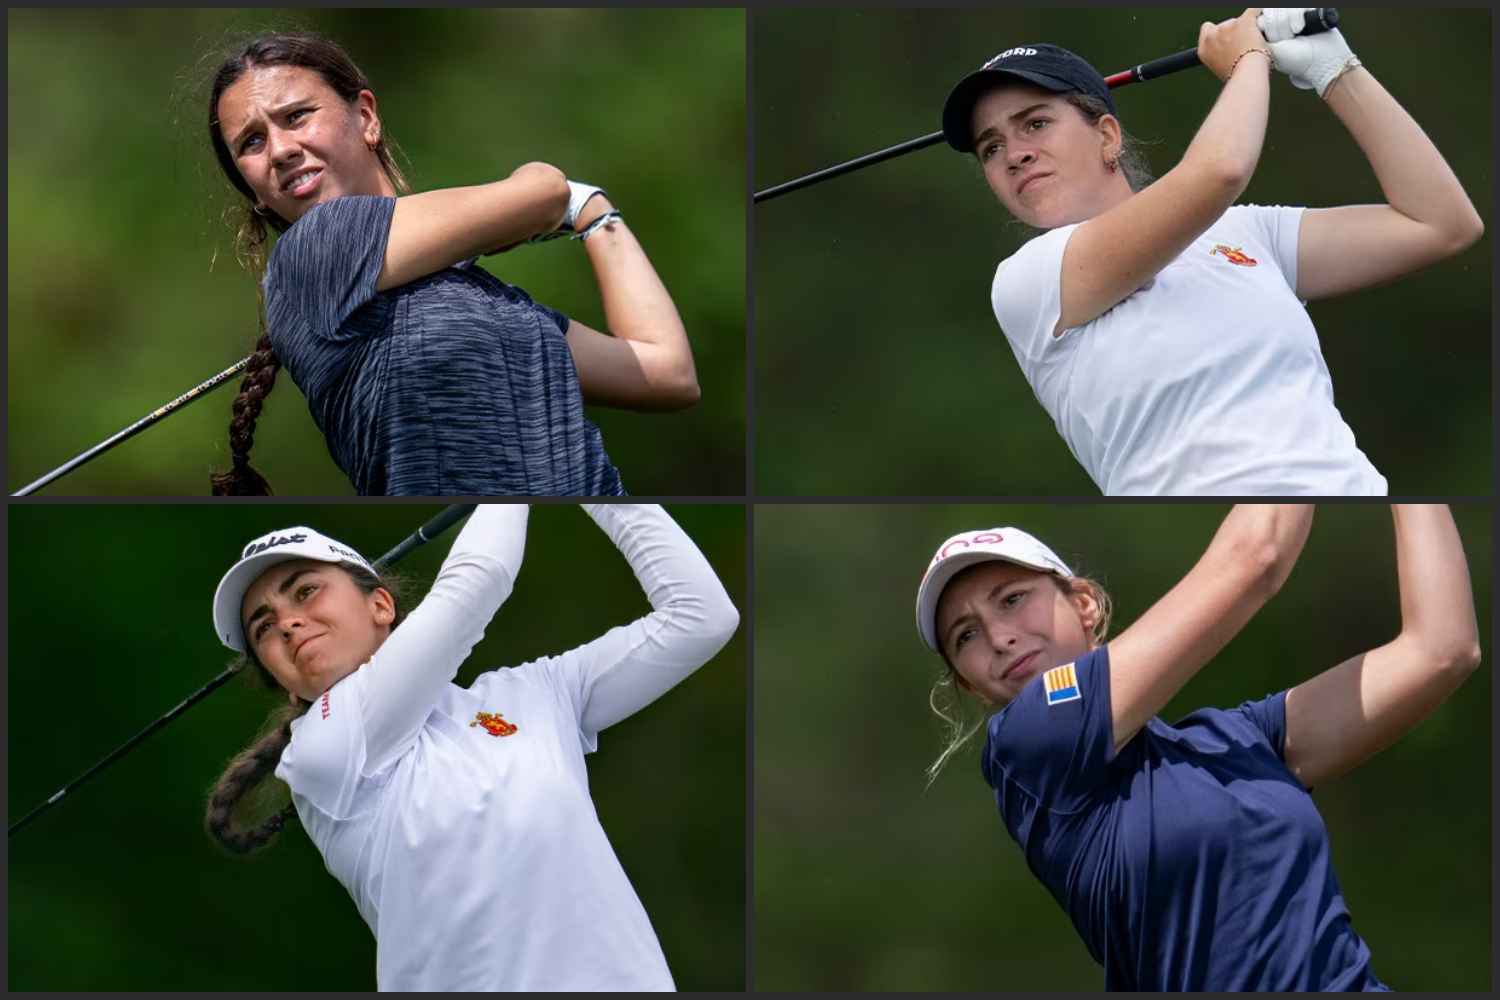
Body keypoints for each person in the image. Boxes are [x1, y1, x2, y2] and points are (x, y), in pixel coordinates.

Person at [913, 505, 1480, 990]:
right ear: (968, 682)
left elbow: (1441, 649)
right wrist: (1300, 437)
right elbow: (1255, 555)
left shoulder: (1235, 740)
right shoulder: (1027, 744)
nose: (998, 637)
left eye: (1012, 599)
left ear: (1084, 604)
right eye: (966, 635)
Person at [940, 9, 1484, 495]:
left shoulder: (1248, 235)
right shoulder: (1029, 281)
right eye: (992, 147)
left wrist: (1335, 71)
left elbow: (1440, 223)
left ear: (1107, 136)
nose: (1014, 154)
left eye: (1035, 123)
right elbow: (1220, 171)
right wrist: (1248, 58)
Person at [204, 503, 739, 990]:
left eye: (305, 591)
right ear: (282, 679)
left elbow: (701, 617)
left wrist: (594, 487)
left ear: (381, 605)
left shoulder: (532, 696)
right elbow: (479, 580)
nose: (289, 623)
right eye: (264, 627)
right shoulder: (321, 749)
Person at [204, 32, 701, 495]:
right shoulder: (312, 249)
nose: (281, 150)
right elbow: (545, 188)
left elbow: (666, 372)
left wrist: (593, 213)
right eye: (251, 142)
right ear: (254, 192)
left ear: (366, 117)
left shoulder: (489, 301)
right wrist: (556, 196)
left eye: (296, 117)